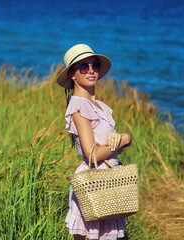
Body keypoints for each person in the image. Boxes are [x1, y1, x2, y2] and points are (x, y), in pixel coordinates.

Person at [56, 44, 132, 240]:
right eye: (83, 67)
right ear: (72, 74)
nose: (90, 70)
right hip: (94, 182)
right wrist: (124, 139)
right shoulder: (79, 105)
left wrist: (124, 140)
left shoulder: (99, 105)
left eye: (94, 65)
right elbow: (91, 154)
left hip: (108, 181)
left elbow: (108, 147)